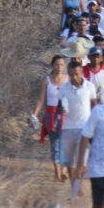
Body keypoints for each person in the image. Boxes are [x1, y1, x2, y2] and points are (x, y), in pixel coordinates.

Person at [59, 59, 98, 194]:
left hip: (84, 128)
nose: (74, 77)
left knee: (83, 161)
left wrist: (96, 124)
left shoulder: (89, 87)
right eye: (71, 75)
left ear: (81, 72)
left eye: (76, 74)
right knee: (70, 161)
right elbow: (60, 106)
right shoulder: (64, 87)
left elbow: (94, 105)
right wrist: (62, 111)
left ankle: (78, 182)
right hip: (68, 127)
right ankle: (74, 187)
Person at [32, 54, 69, 182]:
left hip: (65, 115)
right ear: (52, 65)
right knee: (55, 144)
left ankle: (63, 169)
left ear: (65, 66)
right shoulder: (46, 80)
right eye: (57, 64)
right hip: (51, 116)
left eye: (62, 65)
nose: (59, 67)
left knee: (65, 143)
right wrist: (35, 114)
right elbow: (41, 99)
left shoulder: (68, 80)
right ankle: (57, 171)